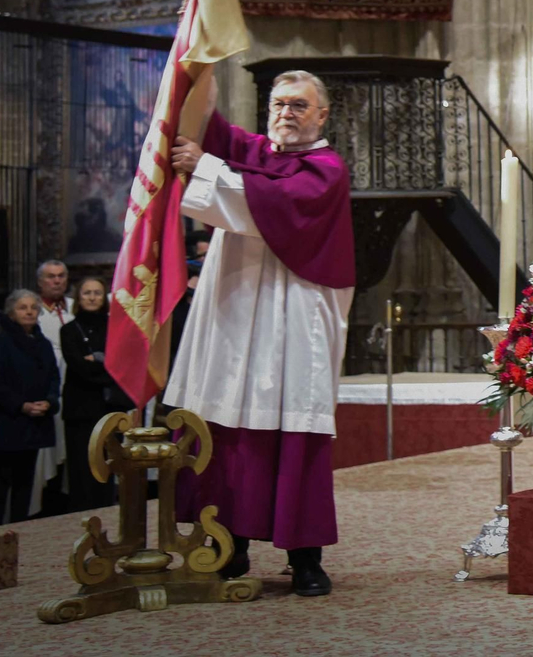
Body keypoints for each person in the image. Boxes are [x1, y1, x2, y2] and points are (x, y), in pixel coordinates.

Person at [164, 69, 356, 597]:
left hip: (295, 312)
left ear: (322, 114)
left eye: (299, 105)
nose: (286, 114)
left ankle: (305, 557)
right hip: (235, 307)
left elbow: (278, 202)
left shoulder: (326, 169)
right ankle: (230, 547)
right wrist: (198, 59)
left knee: (295, 424)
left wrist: (205, 167)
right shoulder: (251, 152)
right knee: (227, 423)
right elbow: (202, 119)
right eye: (278, 104)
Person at [0, 289, 59, 526]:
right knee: (0, 483)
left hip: (36, 423)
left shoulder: (43, 343)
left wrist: (49, 401)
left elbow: (54, 377)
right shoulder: (1, 344)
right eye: (22, 308)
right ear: (11, 313)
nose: (29, 312)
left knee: (25, 483)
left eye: (33, 308)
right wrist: (21, 405)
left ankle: (20, 529)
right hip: (9, 423)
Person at [59, 277, 125, 512]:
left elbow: (122, 365)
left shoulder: (115, 328)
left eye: (97, 293)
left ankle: (106, 511)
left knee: (107, 467)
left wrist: (97, 362)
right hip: (80, 410)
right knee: (81, 468)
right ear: (78, 298)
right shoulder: (68, 330)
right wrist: (105, 365)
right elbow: (79, 368)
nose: (92, 297)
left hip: (109, 409)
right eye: (87, 293)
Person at [30, 258, 73, 517]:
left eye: (61, 276)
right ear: (39, 282)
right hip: (46, 390)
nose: (57, 281)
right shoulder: (32, 311)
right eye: (51, 276)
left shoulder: (73, 309)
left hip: (74, 391)